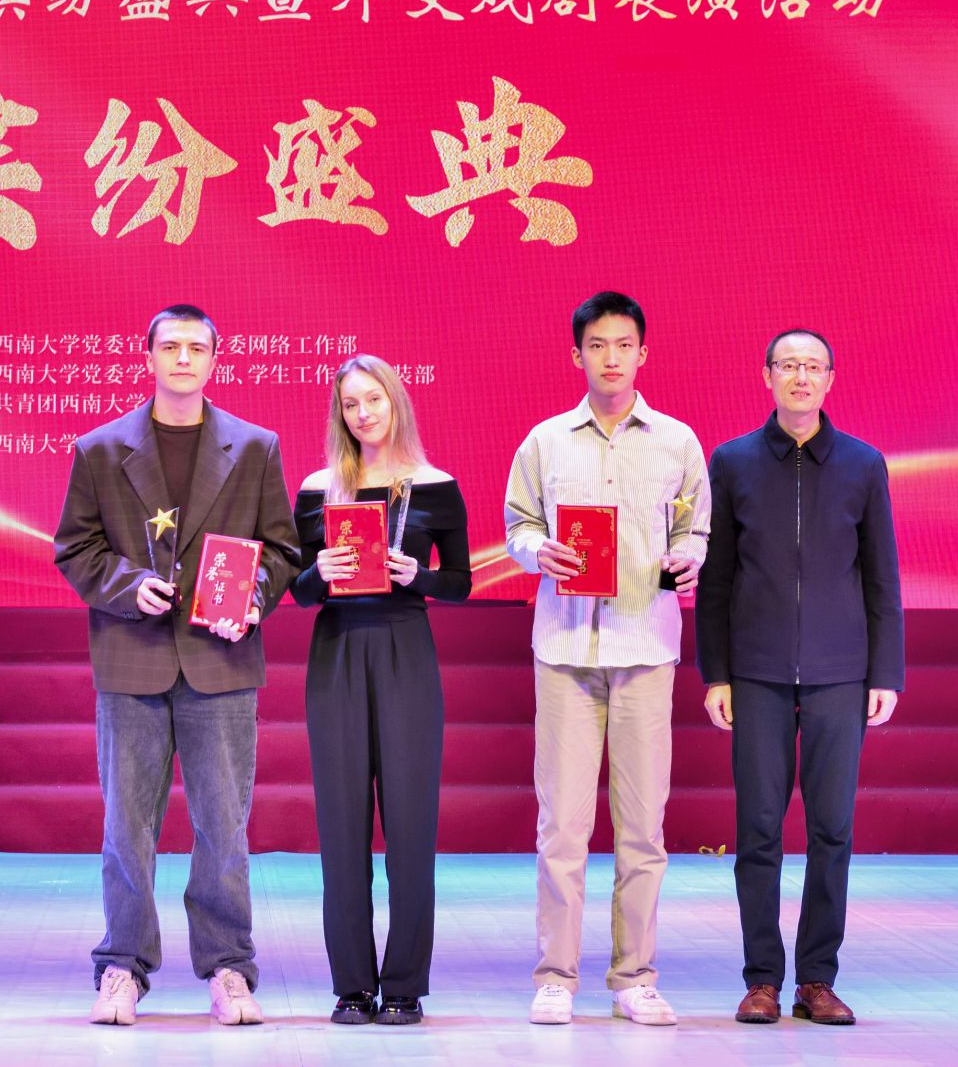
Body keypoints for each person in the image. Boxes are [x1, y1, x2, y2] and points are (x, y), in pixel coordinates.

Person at [52, 304, 301, 1028]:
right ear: (149, 357)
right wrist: (128, 587)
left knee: (224, 826)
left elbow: (282, 549)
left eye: (196, 348)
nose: (183, 358)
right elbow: (75, 547)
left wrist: (250, 597)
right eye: (170, 347)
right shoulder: (100, 449)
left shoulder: (254, 447)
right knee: (126, 829)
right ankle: (122, 967)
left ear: (215, 360)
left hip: (220, 659)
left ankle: (228, 968)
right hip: (132, 658)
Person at [504, 291, 711, 1028]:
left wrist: (688, 556)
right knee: (562, 827)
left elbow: (696, 529)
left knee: (642, 827)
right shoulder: (545, 441)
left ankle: (634, 977)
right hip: (565, 649)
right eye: (598, 345)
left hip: (644, 649)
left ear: (643, 353)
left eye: (624, 345)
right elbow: (518, 524)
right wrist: (537, 550)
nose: (612, 357)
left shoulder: (677, 442)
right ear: (578, 355)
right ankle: (556, 977)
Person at [695, 329, 905, 1028]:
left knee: (832, 829)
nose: (801, 377)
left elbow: (881, 576)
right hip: (754, 671)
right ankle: (761, 978)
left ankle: (817, 978)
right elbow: (716, 578)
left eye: (813, 367)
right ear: (767, 376)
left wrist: (885, 672)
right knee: (758, 828)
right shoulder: (732, 462)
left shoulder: (863, 464)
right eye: (789, 366)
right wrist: (716, 672)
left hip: (841, 673)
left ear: (830, 379)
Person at [291, 355, 472, 1026]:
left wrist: (415, 576)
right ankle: (351, 985)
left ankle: (403, 985)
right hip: (337, 650)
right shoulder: (319, 488)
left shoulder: (436, 486)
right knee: (341, 828)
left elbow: (460, 583)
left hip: (405, 650)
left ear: (396, 401)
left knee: (410, 826)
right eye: (350, 404)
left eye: (374, 400)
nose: (363, 414)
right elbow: (296, 591)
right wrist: (319, 569)